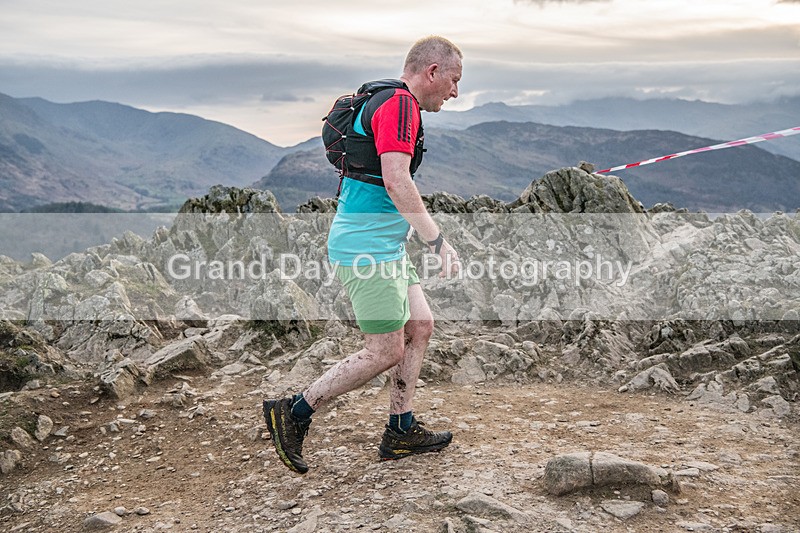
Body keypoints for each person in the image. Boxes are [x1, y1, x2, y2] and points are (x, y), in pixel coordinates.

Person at [263, 35, 463, 474]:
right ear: (432, 72)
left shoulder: (388, 101)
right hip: (367, 248)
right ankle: (293, 412)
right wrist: (436, 240)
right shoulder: (399, 105)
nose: (454, 92)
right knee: (384, 350)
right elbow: (396, 180)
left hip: (384, 244)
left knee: (421, 326)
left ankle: (400, 429)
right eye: (453, 80)